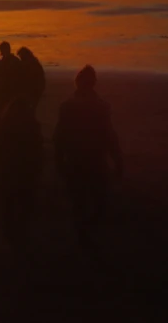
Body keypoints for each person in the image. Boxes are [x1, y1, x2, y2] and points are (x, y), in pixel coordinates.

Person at [53, 65, 124, 249]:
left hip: (76, 161)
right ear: (93, 83)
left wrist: (59, 161)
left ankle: (83, 234)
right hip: (94, 161)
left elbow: (59, 137)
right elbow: (110, 137)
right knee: (97, 201)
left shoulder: (68, 107)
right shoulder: (100, 107)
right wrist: (118, 162)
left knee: (80, 202)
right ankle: (86, 233)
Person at [0, 97, 44, 246]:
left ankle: (9, 230)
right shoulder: (33, 126)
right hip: (27, 169)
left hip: (9, 169)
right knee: (25, 201)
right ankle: (22, 231)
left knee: (8, 201)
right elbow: (38, 149)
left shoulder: (4, 126)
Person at [0, 41, 25, 137]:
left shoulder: (12, 61)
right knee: (2, 111)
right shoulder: (13, 61)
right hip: (6, 90)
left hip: (8, 90)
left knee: (3, 111)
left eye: (2, 50)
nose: (1, 52)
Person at [17, 46, 46, 112]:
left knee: (28, 110)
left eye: (21, 56)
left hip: (32, 91)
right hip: (33, 91)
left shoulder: (31, 64)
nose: (21, 58)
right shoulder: (33, 63)